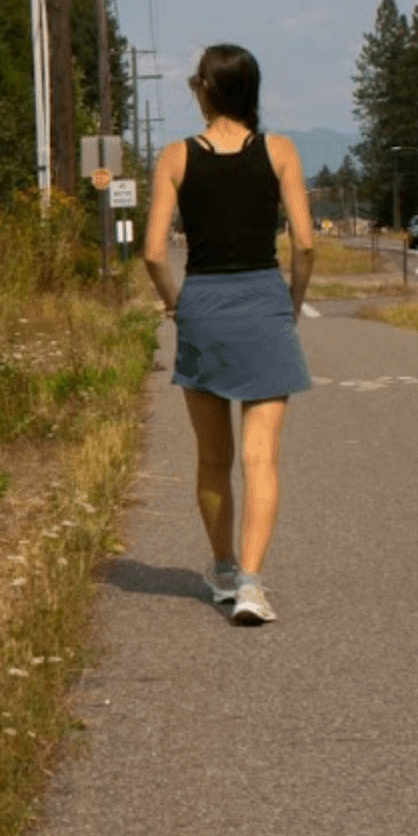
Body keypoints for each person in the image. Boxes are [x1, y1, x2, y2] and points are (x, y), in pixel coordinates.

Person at [139, 43, 316, 625]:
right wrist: (291, 302)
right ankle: (252, 584)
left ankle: (220, 565)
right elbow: (306, 244)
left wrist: (175, 306)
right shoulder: (280, 150)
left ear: (206, 91)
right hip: (264, 301)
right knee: (260, 457)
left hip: (204, 307)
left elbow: (154, 253)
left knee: (213, 459)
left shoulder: (176, 157)